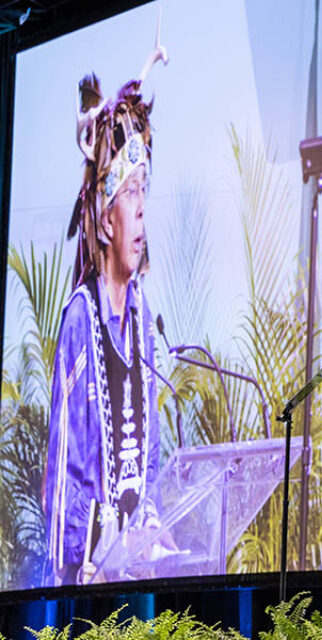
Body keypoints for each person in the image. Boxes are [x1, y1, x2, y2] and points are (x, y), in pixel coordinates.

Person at [43, 37, 168, 586]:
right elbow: (62, 475)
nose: (142, 208)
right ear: (106, 217)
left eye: (146, 190)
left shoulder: (145, 320)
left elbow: (157, 461)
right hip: (87, 584)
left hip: (139, 580)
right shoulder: (79, 319)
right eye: (131, 192)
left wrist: (155, 532)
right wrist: (76, 563)